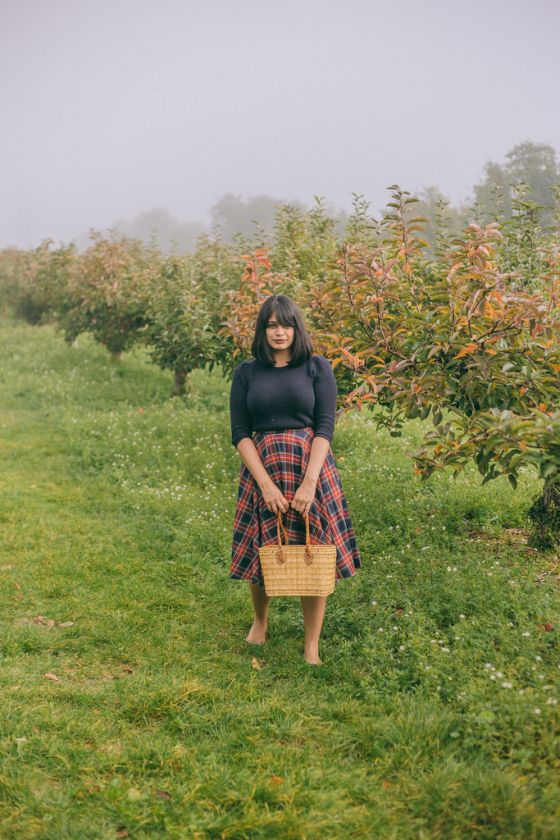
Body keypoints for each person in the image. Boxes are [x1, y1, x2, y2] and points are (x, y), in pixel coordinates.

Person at [229, 294, 361, 665]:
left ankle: (311, 643)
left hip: (310, 466)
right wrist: (265, 485)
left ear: (296, 327)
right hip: (264, 466)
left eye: (285, 324)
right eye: (271, 325)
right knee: (264, 547)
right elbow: (240, 432)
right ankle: (260, 619)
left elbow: (324, 426)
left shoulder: (317, 368)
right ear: (262, 330)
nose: (279, 332)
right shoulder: (246, 373)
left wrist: (309, 483)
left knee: (313, 550)